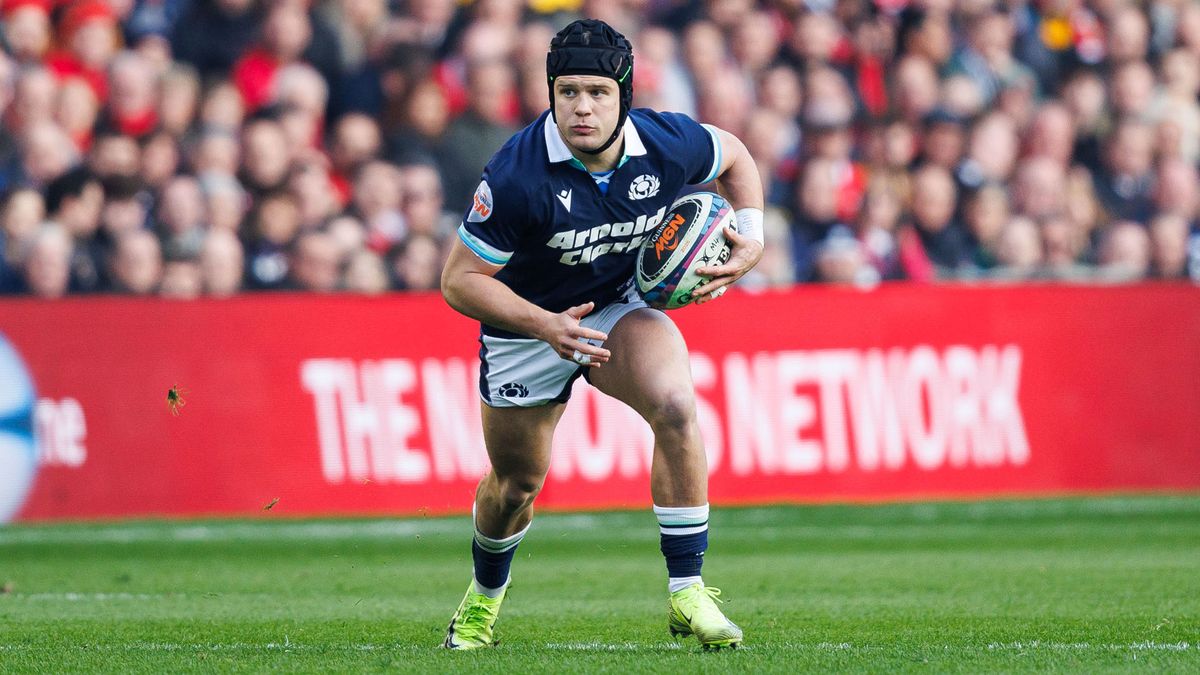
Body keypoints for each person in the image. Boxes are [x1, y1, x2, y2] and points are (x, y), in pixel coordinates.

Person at [438, 19, 764, 651]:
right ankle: (482, 600)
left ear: (624, 96)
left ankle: (688, 593)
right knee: (516, 488)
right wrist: (543, 325)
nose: (580, 107)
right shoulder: (516, 175)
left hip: (615, 307)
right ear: (550, 94)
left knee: (673, 403)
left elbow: (736, 156)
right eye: (566, 92)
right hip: (526, 327)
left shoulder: (666, 142)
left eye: (596, 92)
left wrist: (751, 235)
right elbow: (459, 282)